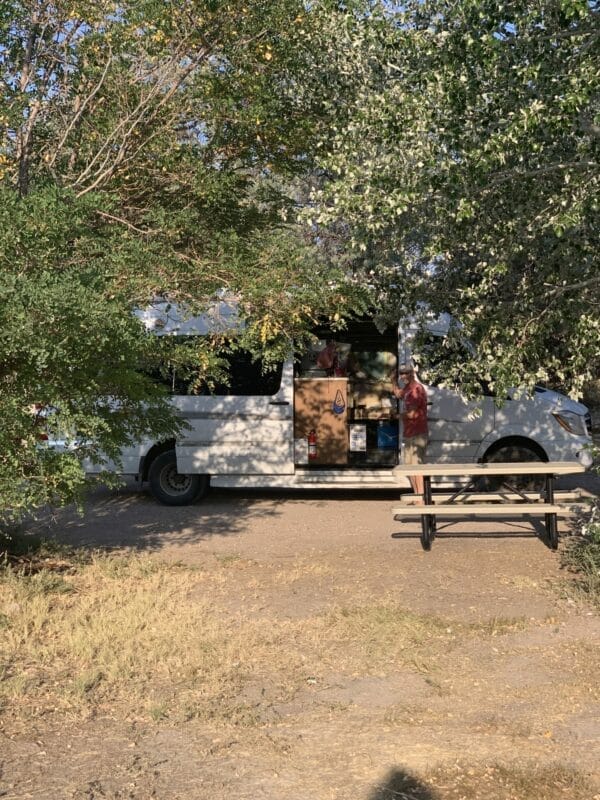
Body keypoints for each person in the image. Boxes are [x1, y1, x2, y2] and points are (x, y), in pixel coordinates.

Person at [392, 363, 428, 500]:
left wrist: (396, 416)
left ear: (412, 373)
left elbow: (412, 414)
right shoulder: (408, 388)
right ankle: (416, 497)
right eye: (401, 374)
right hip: (409, 433)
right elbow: (398, 393)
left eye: (406, 373)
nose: (403, 376)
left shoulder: (416, 390)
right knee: (410, 467)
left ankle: (421, 499)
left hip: (417, 433)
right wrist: (393, 381)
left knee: (416, 468)